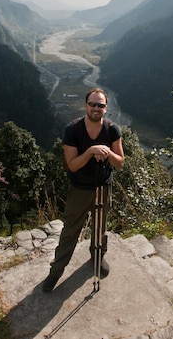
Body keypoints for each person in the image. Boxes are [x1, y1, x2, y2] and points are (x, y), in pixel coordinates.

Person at [42, 87, 124, 293]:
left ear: (106, 108)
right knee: (70, 231)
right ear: (86, 105)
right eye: (93, 104)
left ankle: (98, 256)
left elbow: (120, 161)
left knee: (100, 226)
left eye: (100, 105)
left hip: (103, 187)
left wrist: (106, 153)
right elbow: (72, 165)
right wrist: (90, 151)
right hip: (79, 189)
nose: (96, 108)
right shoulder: (73, 130)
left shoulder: (112, 129)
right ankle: (56, 271)